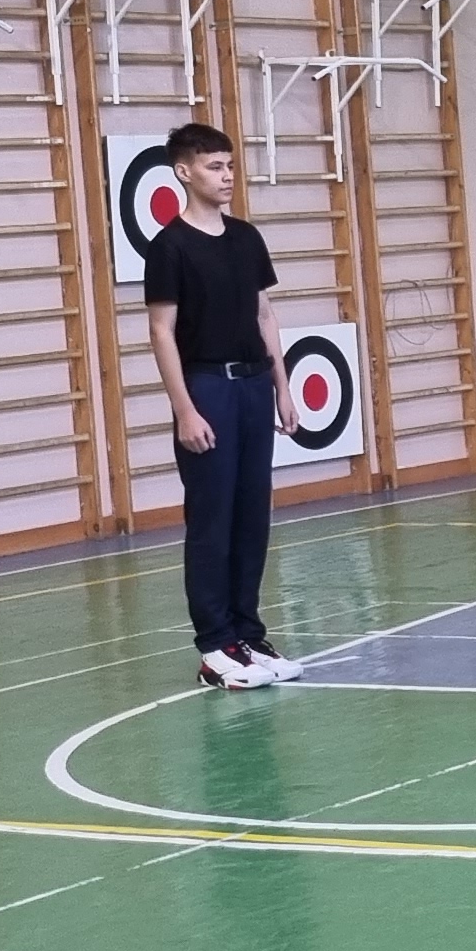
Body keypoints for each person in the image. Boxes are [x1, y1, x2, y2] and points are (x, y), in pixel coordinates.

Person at [140, 123, 302, 691]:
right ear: (184, 172)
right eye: (214, 166)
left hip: (255, 386)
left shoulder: (247, 238)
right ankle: (214, 646)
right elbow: (161, 332)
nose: (227, 175)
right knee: (212, 520)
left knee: (252, 516)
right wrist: (184, 408)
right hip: (207, 387)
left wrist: (283, 386)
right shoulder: (169, 247)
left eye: (230, 165)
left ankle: (247, 636)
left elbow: (264, 315)